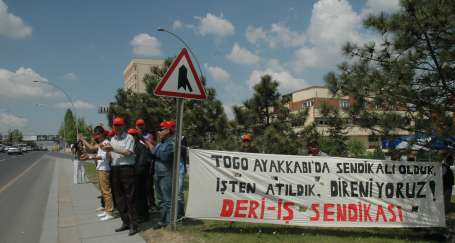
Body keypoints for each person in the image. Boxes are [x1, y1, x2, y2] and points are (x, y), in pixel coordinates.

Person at [102, 117, 138, 236]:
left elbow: (128, 152)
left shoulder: (129, 138)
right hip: (115, 168)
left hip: (127, 168)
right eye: (115, 125)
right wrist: (106, 151)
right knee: (119, 198)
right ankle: (125, 222)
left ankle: (133, 224)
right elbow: (111, 155)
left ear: (123, 126)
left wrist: (112, 148)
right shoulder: (112, 138)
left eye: (119, 125)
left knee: (129, 197)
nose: (116, 127)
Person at [80, 126, 115, 221]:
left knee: (106, 191)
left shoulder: (106, 143)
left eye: (98, 134)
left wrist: (90, 158)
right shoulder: (101, 143)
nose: (97, 136)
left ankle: (110, 212)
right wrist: (83, 140)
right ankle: (106, 209)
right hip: (100, 168)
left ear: (103, 133)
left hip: (104, 169)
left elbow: (103, 157)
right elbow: (91, 148)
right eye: (96, 134)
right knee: (103, 191)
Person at [150, 120, 177, 229]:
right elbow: (153, 154)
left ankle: (169, 221)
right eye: (160, 129)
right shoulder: (160, 142)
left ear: (168, 130)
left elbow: (165, 157)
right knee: (160, 199)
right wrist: (156, 152)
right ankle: (162, 220)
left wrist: (156, 152)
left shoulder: (171, 143)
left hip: (166, 174)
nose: (159, 131)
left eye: (162, 129)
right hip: (157, 173)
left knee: (167, 199)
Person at [128, 127, 152, 222]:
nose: (130, 137)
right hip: (135, 174)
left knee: (141, 196)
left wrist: (135, 172)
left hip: (140, 175)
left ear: (136, 136)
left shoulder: (140, 147)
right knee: (137, 196)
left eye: (132, 135)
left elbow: (142, 162)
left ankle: (144, 216)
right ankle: (139, 214)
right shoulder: (133, 146)